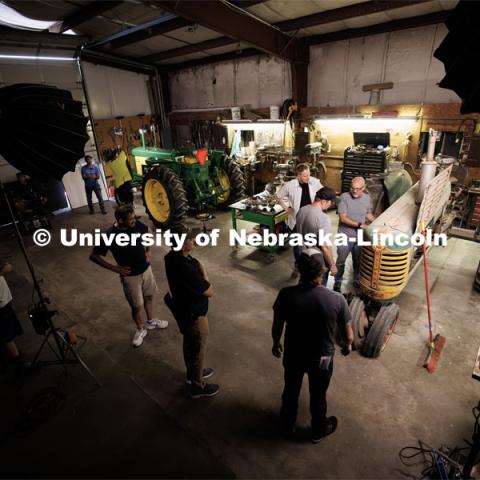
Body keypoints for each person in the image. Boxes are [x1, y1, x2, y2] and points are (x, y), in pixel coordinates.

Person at [272, 252, 353, 443]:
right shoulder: (337, 299)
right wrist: (347, 346)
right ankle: (318, 430)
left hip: (293, 355)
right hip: (322, 359)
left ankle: (287, 425)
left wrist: (276, 343)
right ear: (322, 271)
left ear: (299, 269)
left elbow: (277, 325)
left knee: (291, 389)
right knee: (318, 393)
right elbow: (348, 335)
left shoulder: (285, 295)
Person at [89, 205, 168, 347]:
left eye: (134, 217)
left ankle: (150, 322)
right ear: (120, 220)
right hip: (131, 277)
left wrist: (148, 250)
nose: (134, 221)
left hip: (146, 270)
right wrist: (115, 268)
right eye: (130, 219)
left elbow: (146, 234)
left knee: (149, 297)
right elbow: (94, 256)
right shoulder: (109, 235)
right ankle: (140, 329)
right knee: (136, 306)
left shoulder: (135, 225)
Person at [164, 227, 218, 399]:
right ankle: (197, 386)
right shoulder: (185, 268)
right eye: (189, 239)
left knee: (189, 345)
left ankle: (192, 374)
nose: (193, 240)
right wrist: (205, 274)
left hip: (182, 311)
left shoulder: (171, 257)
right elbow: (209, 291)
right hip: (193, 315)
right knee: (197, 348)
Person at [275, 163, 323, 277]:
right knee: (297, 246)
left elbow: (323, 193)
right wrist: (287, 209)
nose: (308, 178)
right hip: (296, 220)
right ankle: (298, 266)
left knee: (312, 244)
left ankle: (312, 268)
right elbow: (277, 196)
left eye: (309, 175)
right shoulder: (290, 185)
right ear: (298, 176)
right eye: (305, 176)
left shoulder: (314, 182)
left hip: (311, 219)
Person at [334, 177, 376, 292]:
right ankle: (337, 281)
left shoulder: (367, 198)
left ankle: (357, 280)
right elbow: (343, 218)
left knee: (358, 260)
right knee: (341, 260)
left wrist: (377, 222)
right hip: (345, 235)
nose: (355, 191)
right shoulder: (344, 197)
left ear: (364, 188)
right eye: (353, 188)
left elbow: (368, 214)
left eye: (358, 189)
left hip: (359, 237)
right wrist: (360, 225)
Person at [296, 187, 338, 287]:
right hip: (317, 262)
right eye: (330, 202)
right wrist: (332, 265)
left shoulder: (302, 210)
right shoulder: (323, 218)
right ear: (323, 201)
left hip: (304, 257)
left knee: (304, 284)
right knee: (317, 289)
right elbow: (324, 246)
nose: (330, 204)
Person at [0, 261, 25, 378]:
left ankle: (5, 361)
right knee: (7, 336)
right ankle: (18, 366)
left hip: (3, 302)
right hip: (1, 305)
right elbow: (7, 268)